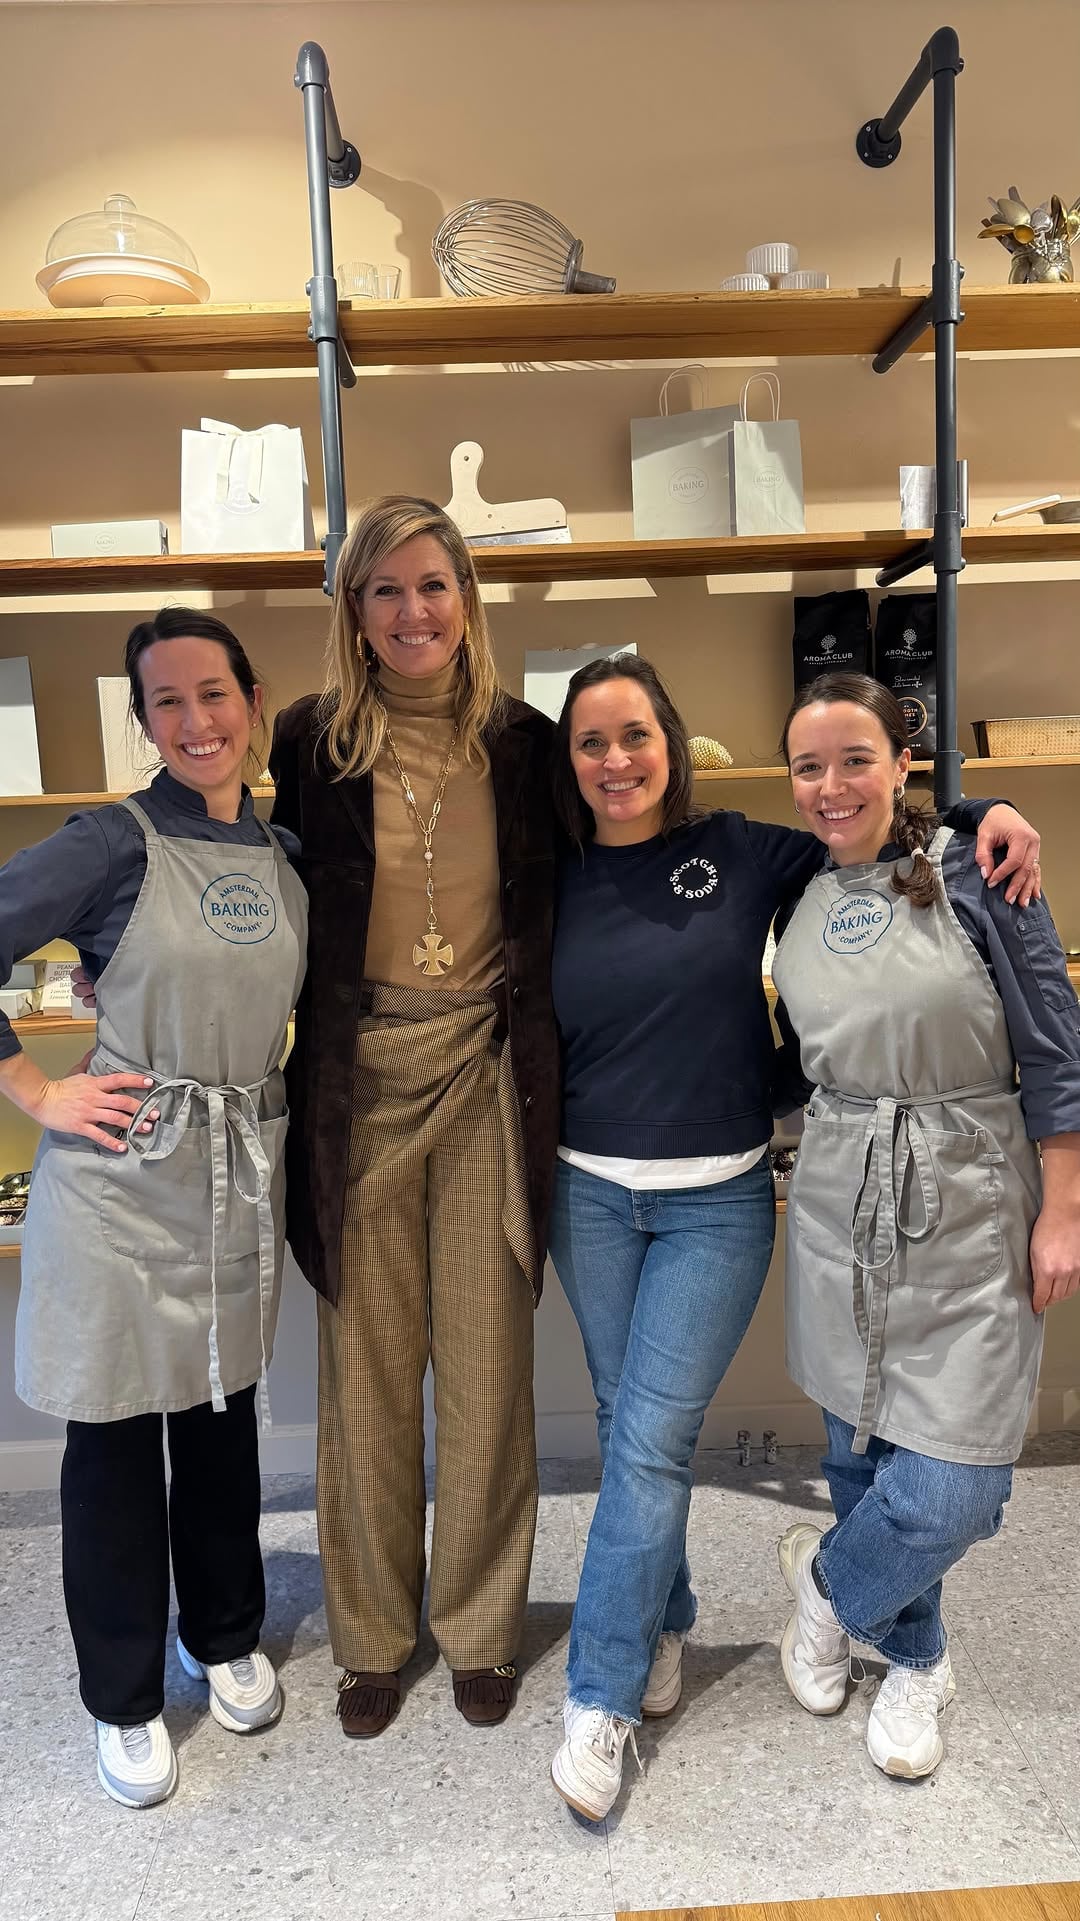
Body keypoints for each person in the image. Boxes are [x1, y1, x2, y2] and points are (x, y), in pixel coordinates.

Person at [543, 652, 1042, 1823]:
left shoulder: (751, 849)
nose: (616, 761)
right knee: (636, 1430)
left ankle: (602, 1689)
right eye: (589, 742)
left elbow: (872, 817)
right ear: (566, 764)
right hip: (591, 1193)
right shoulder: (546, 873)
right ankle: (669, 1626)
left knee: (658, 1441)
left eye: (635, 735)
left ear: (675, 742)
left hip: (722, 1192)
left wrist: (986, 807)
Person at [1, 607, 308, 1808]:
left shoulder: (282, 857)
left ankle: (224, 1631)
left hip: (237, 1175)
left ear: (251, 700)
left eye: (214, 693)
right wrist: (37, 1089)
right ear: (143, 722)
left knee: (224, 1417)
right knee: (119, 1442)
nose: (196, 720)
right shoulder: (110, 842)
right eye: (167, 701)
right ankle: (123, 1700)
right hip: (127, 1184)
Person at [268, 496, 559, 1737]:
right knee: (367, 1375)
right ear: (354, 609)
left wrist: (968, 816)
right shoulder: (307, 740)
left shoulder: (529, 744)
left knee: (489, 1370)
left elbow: (670, 833)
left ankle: (483, 1626)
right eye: (383, 590)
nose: (412, 612)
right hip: (361, 1075)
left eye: (432, 584)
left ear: (468, 597)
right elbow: (201, 831)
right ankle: (374, 1636)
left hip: (488, 1067)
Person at [773, 671, 1080, 1781]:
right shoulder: (795, 884)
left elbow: (1054, 1047)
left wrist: (1064, 1207)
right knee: (862, 1442)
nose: (832, 784)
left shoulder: (986, 872)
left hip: (972, 1188)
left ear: (904, 763)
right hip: (841, 1186)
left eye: (856, 758)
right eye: (810, 765)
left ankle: (822, 1592)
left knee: (960, 1479)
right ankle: (917, 1661)